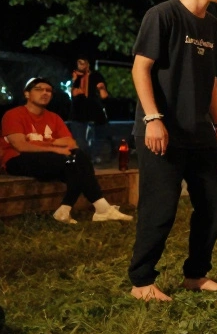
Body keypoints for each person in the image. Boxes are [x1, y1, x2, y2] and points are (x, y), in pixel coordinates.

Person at [128, 0, 217, 301]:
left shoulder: (215, 28)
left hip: (200, 131)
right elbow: (140, 68)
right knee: (160, 207)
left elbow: (213, 82)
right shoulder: (162, 15)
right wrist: (153, 119)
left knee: (213, 202)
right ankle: (141, 282)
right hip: (161, 129)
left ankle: (196, 274)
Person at [1, 77, 132, 225]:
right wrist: (55, 146)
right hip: (17, 159)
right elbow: (21, 146)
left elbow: (71, 144)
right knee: (74, 162)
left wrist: (41, 143)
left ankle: (67, 210)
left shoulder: (54, 118)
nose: (45, 93)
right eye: (39, 89)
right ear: (27, 94)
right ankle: (100, 209)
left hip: (49, 160)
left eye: (48, 90)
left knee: (78, 158)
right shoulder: (13, 115)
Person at [69, 57, 109, 156]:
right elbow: (73, 93)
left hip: (95, 113)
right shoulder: (74, 75)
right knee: (80, 143)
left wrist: (101, 89)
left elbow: (104, 95)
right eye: (79, 63)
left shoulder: (95, 76)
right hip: (78, 114)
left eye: (84, 63)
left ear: (88, 64)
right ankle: (83, 160)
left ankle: (94, 158)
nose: (81, 65)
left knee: (98, 139)